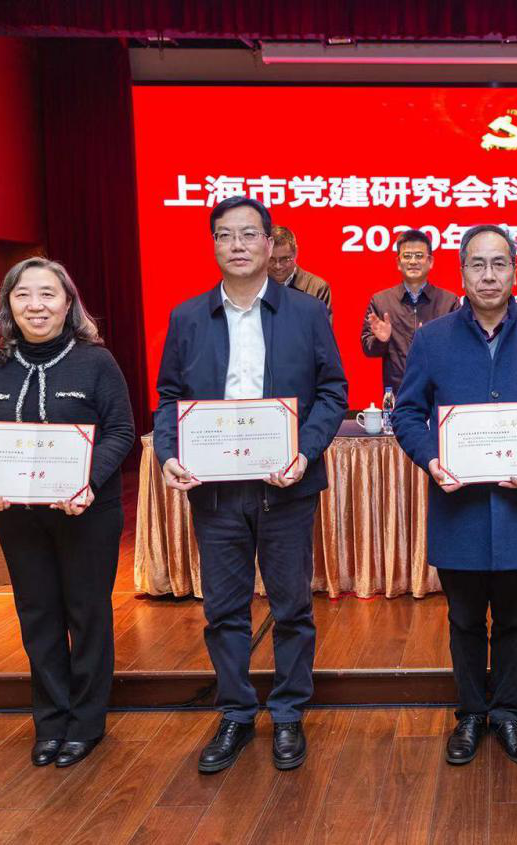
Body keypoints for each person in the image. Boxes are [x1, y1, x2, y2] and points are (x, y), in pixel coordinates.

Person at [154, 197, 347, 773]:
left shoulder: (306, 313)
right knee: (224, 611)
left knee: (292, 607)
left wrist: (304, 451)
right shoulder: (188, 317)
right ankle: (236, 713)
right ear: (213, 245)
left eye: (247, 234)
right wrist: (169, 453)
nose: (236, 245)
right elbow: (169, 398)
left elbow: (332, 391)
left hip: (285, 485)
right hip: (214, 490)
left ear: (269, 243)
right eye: (224, 235)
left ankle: (288, 713)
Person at [392, 224, 517, 766]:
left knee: (514, 619)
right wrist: (431, 459)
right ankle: (471, 714)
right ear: (461, 273)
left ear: (515, 271)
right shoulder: (432, 339)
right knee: (462, 619)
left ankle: (507, 714)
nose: (489, 275)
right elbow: (407, 413)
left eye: (499, 264)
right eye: (477, 264)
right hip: (458, 508)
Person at [0, 257, 135, 768]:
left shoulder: (96, 362)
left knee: (86, 613)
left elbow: (121, 432)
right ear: (8, 305)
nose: (35, 305)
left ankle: (85, 723)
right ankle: (50, 721)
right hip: (17, 515)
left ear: (67, 303)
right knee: (37, 613)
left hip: (87, 511)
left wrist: (87, 482)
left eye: (47, 294)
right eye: (23, 295)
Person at [361, 228, 461, 397]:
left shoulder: (449, 301)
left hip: (439, 392)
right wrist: (381, 341)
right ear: (398, 262)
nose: (413, 261)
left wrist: (434, 342)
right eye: (407, 256)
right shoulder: (380, 301)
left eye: (419, 256)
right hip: (398, 393)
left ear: (430, 261)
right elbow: (368, 350)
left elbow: (460, 349)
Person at [268, 224, 332, 320]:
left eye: (285, 259)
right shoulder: (253, 286)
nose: (278, 266)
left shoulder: (317, 287)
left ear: (295, 252)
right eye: (271, 259)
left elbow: (323, 328)